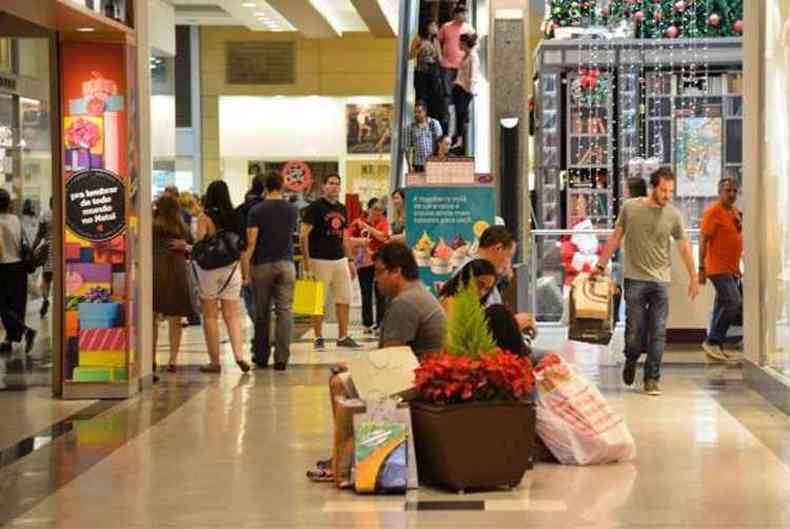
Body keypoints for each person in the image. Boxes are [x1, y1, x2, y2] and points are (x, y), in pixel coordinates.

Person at [593, 168, 700, 396]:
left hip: (660, 281)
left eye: (670, 191)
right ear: (653, 187)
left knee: (659, 332)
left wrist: (694, 275)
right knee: (634, 333)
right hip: (635, 279)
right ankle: (631, 358)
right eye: (663, 190)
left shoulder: (673, 215)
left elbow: (683, 247)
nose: (667, 195)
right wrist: (600, 266)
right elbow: (615, 237)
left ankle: (652, 379)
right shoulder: (630, 208)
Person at [191, 180, 251, 373]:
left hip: (209, 269)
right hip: (231, 269)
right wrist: (245, 273)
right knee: (232, 315)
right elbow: (242, 247)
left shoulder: (205, 217)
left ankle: (215, 362)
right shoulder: (235, 216)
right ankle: (239, 356)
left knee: (210, 316)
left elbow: (199, 244)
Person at [242, 171, 299, 371]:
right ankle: (282, 358)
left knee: (262, 312)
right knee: (285, 311)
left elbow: (251, 243)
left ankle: (262, 356)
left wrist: (245, 270)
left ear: (265, 187)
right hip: (287, 264)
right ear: (282, 185)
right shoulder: (292, 210)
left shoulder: (257, 211)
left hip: (262, 265)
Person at [300, 174, 361, 350]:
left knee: (344, 298)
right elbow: (304, 234)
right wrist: (306, 261)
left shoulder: (342, 209)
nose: (334, 186)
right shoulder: (314, 208)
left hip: (339, 260)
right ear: (324, 186)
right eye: (331, 183)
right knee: (317, 301)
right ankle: (318, 337)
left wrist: (350, 260)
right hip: (319, 260)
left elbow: (344, 236)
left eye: (337, 184)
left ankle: (343, 337)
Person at [458, 225, 537, 337]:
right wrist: (513, 324)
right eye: (509, 256)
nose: (508, 263)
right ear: (498, 249)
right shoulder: (471, 273)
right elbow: (474, 324)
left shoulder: (484, 272)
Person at [374, 242, 446, 357]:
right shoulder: (416, 292)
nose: (376, 279)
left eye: (379, 272)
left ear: (396, 271)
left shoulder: (405, 303)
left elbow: (388, 361)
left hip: (420, 372)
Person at [700, 178, 743, 362]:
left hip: (732, 269)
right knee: (733, 301)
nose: (732, 194)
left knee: (722, 304)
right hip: (717, 268)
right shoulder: (713, 212)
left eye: (734, 191)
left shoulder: (735, 212)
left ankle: (715, 346)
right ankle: (713, 340)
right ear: (720, 192)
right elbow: (703, 240)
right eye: (728, 191)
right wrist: (700, 267)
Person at [152, 194, 193, 372]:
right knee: (175, 319)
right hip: (177, 272)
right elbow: (192, 246)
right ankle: (173, 360)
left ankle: (151, 357)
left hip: (156, 271)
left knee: (152, 318)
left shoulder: (151, 226)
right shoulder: (181, 227)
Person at [0, 189, 36, 354]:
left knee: (3, 306)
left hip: (4, 266)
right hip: (19, 267)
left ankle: (25, 331)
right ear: (8, 203)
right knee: (16, 305)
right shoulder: (15, 219)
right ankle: (9, 340)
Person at [348, 197, 390, 334]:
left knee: (380, 293)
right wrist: (360, 242)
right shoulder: (357, 222)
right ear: (368, 209)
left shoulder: (383, 222)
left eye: (381, 210)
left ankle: (380, 324)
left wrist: (367, 228)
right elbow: (347, 239)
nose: (378, 212)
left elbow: (383, 237)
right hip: (364, 262)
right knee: (365, 292)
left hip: (380, 262)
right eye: (375, 209)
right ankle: (367, 323)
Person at [236, 175, 266, 331]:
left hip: (246, 258)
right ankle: (266, 327)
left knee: (249, 294)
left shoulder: (241, 209)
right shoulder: (268, 208)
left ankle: (260, 327)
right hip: (268, 257)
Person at [410, 19, 447, 129]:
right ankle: (420, 121)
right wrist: (419, 47)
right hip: (421, 71)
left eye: (436, 26)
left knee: (434, 97)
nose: (435, 28)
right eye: (433, 25)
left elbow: (440, 59)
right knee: (422, 97)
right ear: (426, 26)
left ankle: (433, 123)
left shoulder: (435, 41)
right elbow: (410, 55)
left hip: (433, 71)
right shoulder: (418, 38)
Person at [438, 5, 473, 102]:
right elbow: (437, 40)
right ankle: (447, 116)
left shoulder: (469, 28)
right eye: (462, 13)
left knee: (460, 93)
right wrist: (439, 56)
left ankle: (456, 115)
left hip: (462, 67)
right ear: (455, 15)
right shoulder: (446, 26)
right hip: (447, 65)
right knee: (447, 93)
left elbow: (474, 45)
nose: (465, 15)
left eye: (465, 13)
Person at [452, 32, 480, 151]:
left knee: (462, 115)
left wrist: (471, 91)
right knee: (459, 115)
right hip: (459, 88)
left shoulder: (473, 56)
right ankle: (458, 138)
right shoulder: (466, 55)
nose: (458, 44)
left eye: (460, 42)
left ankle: (460, 140)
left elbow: (473, 74)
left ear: (464, 43)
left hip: (465, 90)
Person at [403, 101, 443, 173]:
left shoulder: (434, 123)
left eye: (419, 112)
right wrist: (409, 166)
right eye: (415, 112)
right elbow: (407, 148)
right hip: (418, 165)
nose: (416, 114)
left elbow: (441, 144)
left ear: (425, 112)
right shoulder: (410, 127)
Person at [33, 198, 54, 318]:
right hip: (64, 248)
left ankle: (45, 300)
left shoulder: (45, 215)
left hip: (49, 249)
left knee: (47, 278)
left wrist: (32, 248)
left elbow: (39, 234)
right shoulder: (65, 213)